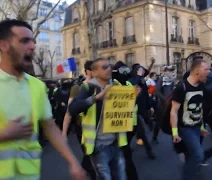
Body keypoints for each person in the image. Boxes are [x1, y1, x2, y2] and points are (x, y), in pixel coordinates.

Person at [0, 19, 85, 180]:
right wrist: (3, 135)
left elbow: (50, 127)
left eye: (33, 41)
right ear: (3, 45)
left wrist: (73, 161)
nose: (32, 46)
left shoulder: (37, 86)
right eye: (24, 41)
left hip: (29, 175)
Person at [68, 58, 128, 179]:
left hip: (116, 142)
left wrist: (132, 97)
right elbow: (72, 109)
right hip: (98, 146)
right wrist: (97, 97)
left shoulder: (116, 85)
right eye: (105, 67)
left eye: (109, 66)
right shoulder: (88, 88)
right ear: (94, 72)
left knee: (121, 177)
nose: (109, 69)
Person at [170, 59, 210, 180]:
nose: (209, 72)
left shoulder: (202, 86)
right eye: (206, 69)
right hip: (185, 128)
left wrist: (202, 126)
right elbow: (174, 111)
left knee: (190, 155)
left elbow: (200, 108)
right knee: (198, 155)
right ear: (198, 71)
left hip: (197, 127)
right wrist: (175, 133)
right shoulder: (181, 87)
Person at [62, 60, 96, 180]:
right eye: (94, 69)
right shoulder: (78, 88)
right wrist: (64, 133)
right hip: (82, 128)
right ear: (88, 71)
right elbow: (69, 111)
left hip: (99, 128)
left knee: (94, 157)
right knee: (90, 156)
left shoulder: (101, 86)